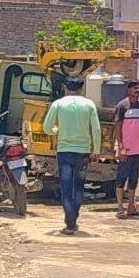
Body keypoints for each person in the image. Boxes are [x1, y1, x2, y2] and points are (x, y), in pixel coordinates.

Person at [41, 76, 101, 235]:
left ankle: (70, 222)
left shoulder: (58, 104)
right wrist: (96, 150)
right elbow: (95, 129)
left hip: (64, 151)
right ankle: (73, 219)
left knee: (66, 187)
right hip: (83, 152)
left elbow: (47, 128)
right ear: (81, 89)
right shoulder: (89, 104)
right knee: (79, 186)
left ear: (65, 88)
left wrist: (56, 130)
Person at [113, 79, 139, 219]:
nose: (138, 91)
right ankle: (120, 207)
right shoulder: (122, 106)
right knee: (121, 177)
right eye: (135, 88)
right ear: (129, 89)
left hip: (138, 149)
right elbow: (117, 127)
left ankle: (131, 206)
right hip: (126, 149)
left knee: (134, 178)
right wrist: (120, 146)